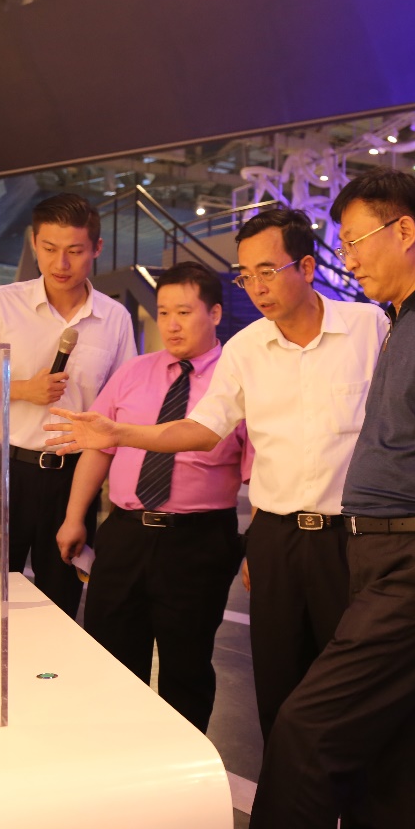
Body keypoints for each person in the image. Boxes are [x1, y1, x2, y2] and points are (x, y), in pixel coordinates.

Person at [239, 168, 415, 829]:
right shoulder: (407, 315)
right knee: (399, 756)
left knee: (306, 729)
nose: (349, 259)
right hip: (379, 552)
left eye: (354, 241)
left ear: (404, 230)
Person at [45, 208, 388, 750]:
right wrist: (119, 433)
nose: (258, 286)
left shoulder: (370, 327)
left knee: (352, 685)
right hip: (246, 535)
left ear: (307, 267)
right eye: (246, 275)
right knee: (274, 683)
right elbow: (202, 429)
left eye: (268, 271)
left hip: (343, 536)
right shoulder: (246, 348)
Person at [54, 262, 250, 733]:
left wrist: (258, 547)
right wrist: (74, 517)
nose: (172, 324)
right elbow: (99, 448)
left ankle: (184, 764)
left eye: (184, 312)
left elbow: (260, 471)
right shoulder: (133, 372)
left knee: (186, 667)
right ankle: (120, 756)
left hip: (197, 541)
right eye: (164, 313)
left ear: (215, 313)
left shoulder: (238, 380)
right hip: (124, 535)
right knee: (111, 659)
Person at [0, 193, 136, 618]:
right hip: (5, 468)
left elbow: (122, 406)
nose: (61, 263)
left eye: (75, 251)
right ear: (34, 243)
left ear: (96, 248)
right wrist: (20, 389)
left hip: (75, 478)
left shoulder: (115, 318)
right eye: (49, 249)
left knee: (61, 605)